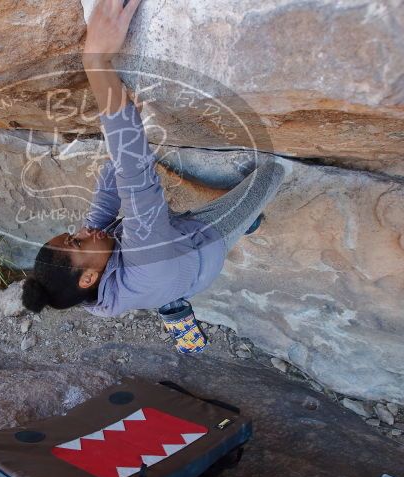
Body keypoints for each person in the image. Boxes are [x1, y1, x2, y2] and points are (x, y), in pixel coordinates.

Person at [21, 0, 288, 352]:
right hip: (203, 249)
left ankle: (171, 302)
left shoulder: (89, 291)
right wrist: (96, 63)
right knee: (270, 174)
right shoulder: (145, 257)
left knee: (159, 265)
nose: (83, 230)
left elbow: (113, 183)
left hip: (160, 271)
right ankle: (244, 227)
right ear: (88, 277)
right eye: (76, 241)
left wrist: (129, 128)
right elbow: (135, 175)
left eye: (73, 234)